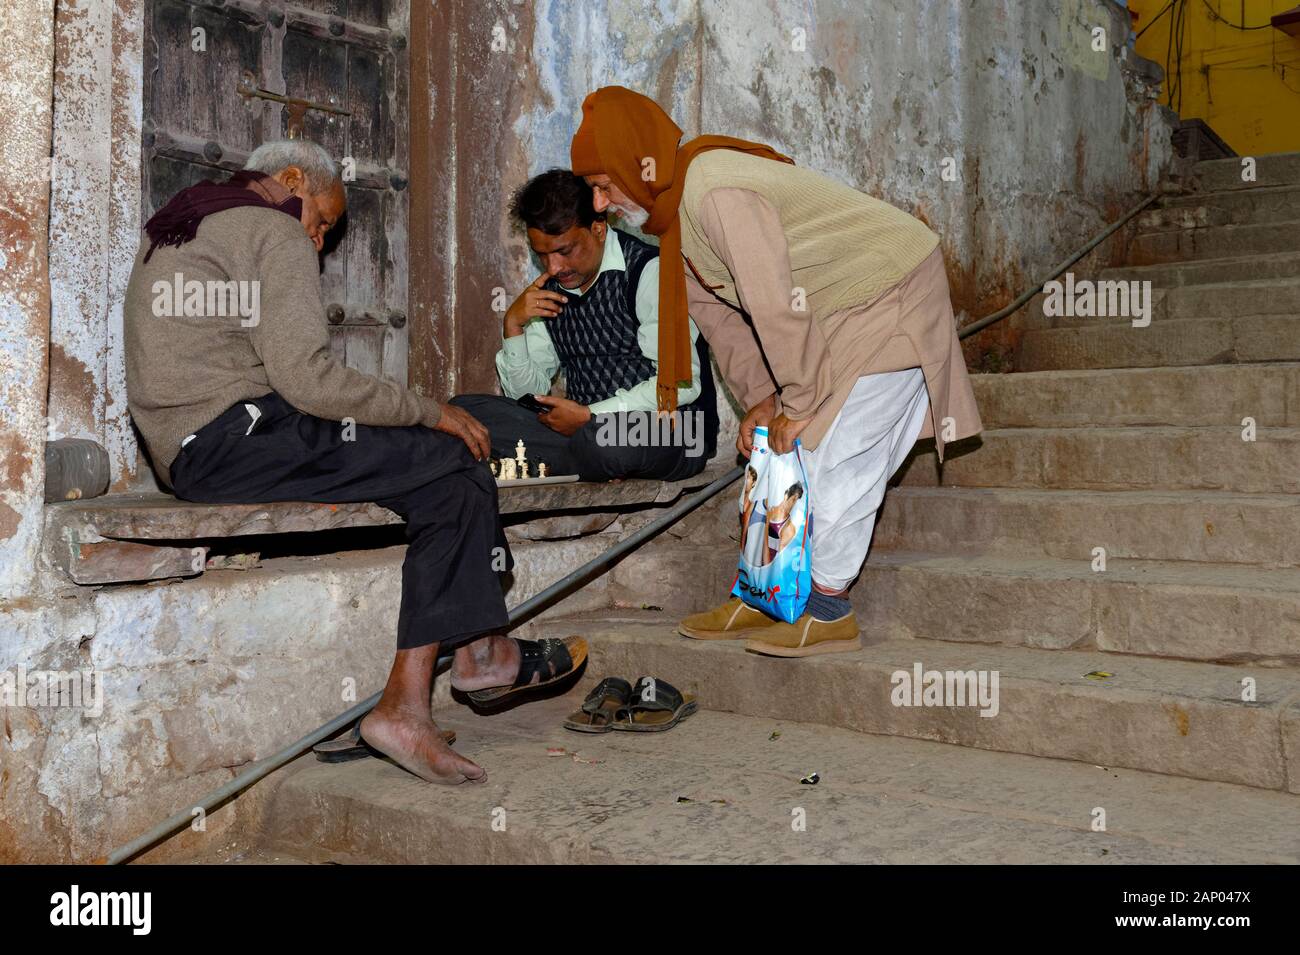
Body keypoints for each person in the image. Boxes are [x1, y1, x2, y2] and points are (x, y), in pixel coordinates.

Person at [123, 139, 585, 784]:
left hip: (201, 449)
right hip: (236, 439)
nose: (315, 241)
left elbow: (282, 382)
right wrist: (430, 409)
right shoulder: (269, 228)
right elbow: (309, 380)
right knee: (453, 447)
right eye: (321, 223)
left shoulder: (192, 219)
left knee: (443, 485)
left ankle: (430, 688)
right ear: (290, 181)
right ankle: (478, 654)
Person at [569, 87, 982, 657]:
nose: (599, 203)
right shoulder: (669, 222)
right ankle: (766, 593)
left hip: (890, 289)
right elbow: (720, 323)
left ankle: (829, 609)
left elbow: (773, 303)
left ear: (635, 162)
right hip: (834, 308)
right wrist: (764, 401)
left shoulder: (715, 191)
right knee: (778, 453)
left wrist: (799, 401)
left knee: (842, 453)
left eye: (603, 184)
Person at [452, 169, 717, 481]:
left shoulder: (650, 273)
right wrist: (513, 327)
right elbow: (528, 397)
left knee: (603, 442)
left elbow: (680, 388)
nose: (554, 267)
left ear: (599, 229)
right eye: (542, 255)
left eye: (565, 251)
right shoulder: (549, 290)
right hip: (582, 431)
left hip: (671, 429)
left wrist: (591, 416)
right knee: (466, 412)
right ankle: (578, 461)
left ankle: (555, 460)